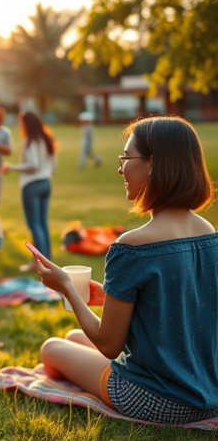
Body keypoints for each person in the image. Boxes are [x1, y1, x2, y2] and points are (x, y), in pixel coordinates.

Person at [35, 116, 217, 425]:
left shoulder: (132, 246)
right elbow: (180, 304)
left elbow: (108, 345)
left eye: (127, 158)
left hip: (153, 398)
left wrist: (66, 286)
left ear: (153, 164)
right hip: (208, 394)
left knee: (52, 347)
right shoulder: (209, 232)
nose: (120, 168)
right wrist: (109, 298)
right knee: (75, 336)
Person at [2, 111, 57, 271]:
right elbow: (53, 164)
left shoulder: (30, 140)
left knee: (35, 225)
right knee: (42, 223)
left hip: (32, 185)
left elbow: (33, 165)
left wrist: (11, 167)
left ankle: (41, 263)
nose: (20, 126)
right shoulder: (46, 139)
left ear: (26, 124)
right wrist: (46, 175)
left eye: (21, 123)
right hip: (46, 183)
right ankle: (47, 260)